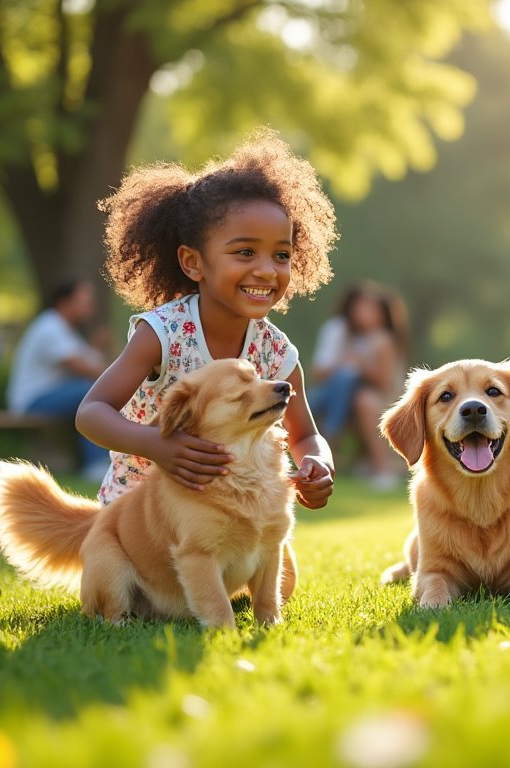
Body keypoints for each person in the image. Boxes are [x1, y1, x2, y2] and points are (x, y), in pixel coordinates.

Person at [76, 129, 338, 597]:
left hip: (238, 507)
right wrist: (157, 446)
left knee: (286, 581)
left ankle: (219, 586)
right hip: (149, 516)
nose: (265, 269)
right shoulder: (163, 333)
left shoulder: (276, 350)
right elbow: (90, 413)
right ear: (194, 263)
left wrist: (317, 463)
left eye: (281, 255)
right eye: (244, 252)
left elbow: (305, 433)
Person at [6, 279, 110, 481]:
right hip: (32, 401)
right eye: (84, 302)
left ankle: (99, 462)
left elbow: (90, 361)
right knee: (93, 393)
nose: (90, 307)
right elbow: (82, 367)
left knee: (91, 393)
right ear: (65, 302)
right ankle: (96, 464)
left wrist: (97, 349)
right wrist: (129, 374)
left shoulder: (63, 329)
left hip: (48, 396)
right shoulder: (50, 327)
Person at [308, 281, 408, 489]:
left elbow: (384, 382)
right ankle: (331, 441)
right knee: (332, 389)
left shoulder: (382, 340)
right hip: (341, 398)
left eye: (371, 309)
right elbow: (317, 372)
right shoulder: (343, 332)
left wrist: (360, 364)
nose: (364, 314)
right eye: (360, 308)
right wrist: (346, 362)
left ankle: (379, 468)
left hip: (378, 397)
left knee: (362, 398)